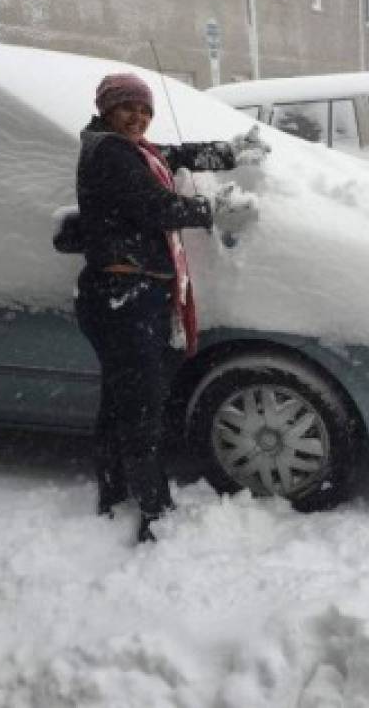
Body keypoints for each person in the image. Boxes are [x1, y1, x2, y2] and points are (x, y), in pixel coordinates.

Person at [73, 72, 266, 544]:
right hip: (125, 298)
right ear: (107, 110)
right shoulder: (112, 154)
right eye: (127, 108)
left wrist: (227, 151)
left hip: (123, 296)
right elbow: (156, 206)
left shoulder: (124, 148)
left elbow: (169, 156)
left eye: (144, 109)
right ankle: (154, 510)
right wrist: (212, 210)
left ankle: (115, 491)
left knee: (123, 401)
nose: (137, 117)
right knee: (142, 406)